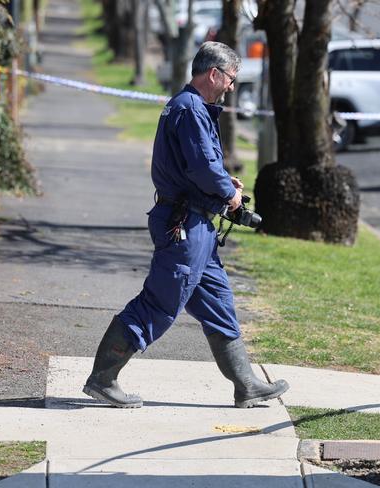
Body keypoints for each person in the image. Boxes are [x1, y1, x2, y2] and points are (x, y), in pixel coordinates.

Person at [83, 42, 289, 409]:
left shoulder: (189, 107)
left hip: (197, 226)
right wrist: (229, 193)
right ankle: (103, 379)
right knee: (158, 304)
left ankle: (246, 385)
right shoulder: (190, 109)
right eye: (230, 79)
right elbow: (202, 168)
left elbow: (198, 166)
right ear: (214, 73)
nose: (231, 87)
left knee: (218, 304)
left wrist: (224, 187)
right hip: (183, 226)